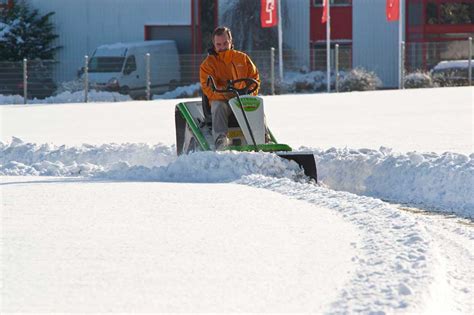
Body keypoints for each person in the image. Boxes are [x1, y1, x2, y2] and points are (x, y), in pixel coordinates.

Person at [200, 26, 260, 150]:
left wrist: (249, 94)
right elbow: (209, 90)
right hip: (224, 102)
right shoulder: (207, 65)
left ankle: (262, 138)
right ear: (214, 44)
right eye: (219, 44)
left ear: (231, 41)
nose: (222, 47)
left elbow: (255, 80)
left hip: (242, 100)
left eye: (225, 43)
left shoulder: (242, 58)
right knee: (218, 105)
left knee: (256, 105)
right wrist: (229, 95)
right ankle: (220, 140)